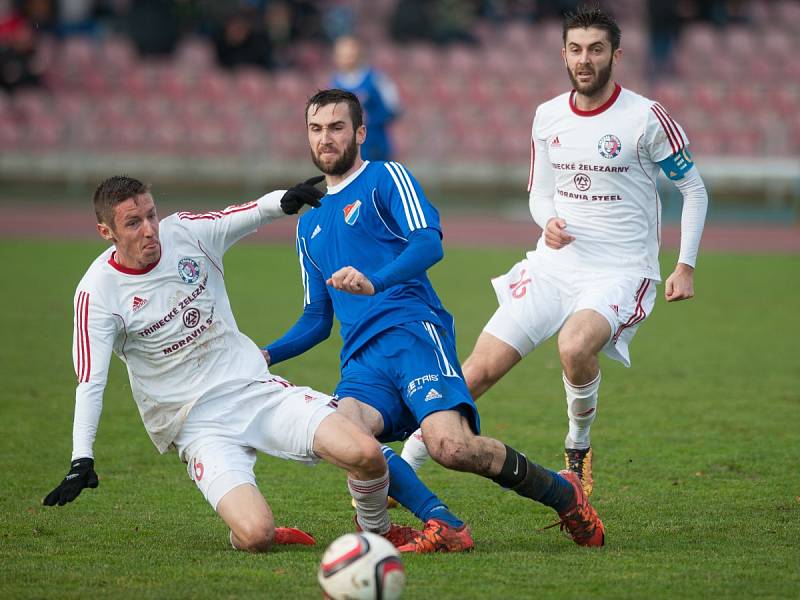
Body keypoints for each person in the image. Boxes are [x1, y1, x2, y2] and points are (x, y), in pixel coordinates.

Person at [263, 88, 605, 550]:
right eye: (316, 128)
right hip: (361, 361)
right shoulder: (308, 225)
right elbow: (316, 319)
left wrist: (375, 281)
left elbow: (428, 243)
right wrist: (264, 354)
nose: (326, 138)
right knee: (345, 436)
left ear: (360, 132)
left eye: (337, 127)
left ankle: (566, 495)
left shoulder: (386, 177)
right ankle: (443, 523)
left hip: (412, 332)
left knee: (452, 449)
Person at [401, 4, 709, 499]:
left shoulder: (647, 117)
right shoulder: (547, 116)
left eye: (595, 49)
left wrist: (685, 265)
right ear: (563, 55)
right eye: (575, 49)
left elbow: (694, 190)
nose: (584, 59)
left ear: (616, 55)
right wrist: (548, 221)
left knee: (573, 345)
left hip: (621, 270)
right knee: (475, 372)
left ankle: (577, 447)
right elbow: (539, 192)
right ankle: (405, 467)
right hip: (552, 266)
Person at [41, 175, 419, 553]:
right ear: (106, 231)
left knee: (366, 454)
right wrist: (81, 458)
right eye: (133, 223)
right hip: (196, 425)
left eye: (152, 215)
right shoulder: (97, 293)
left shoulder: (186, 233)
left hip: (254, 390)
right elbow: (90, 381)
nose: (150, 230)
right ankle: (251, 527)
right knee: (256, 536)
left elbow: (241, 215)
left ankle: (377, 531)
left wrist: (283, 202)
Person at [330, 36, 400, 162]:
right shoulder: (334, 84)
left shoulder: (376, 79)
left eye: (350, 54)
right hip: (348, 149)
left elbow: (394, 108)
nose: (347, 59)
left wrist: (371, 119)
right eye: (343, 55)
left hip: (375, 146)